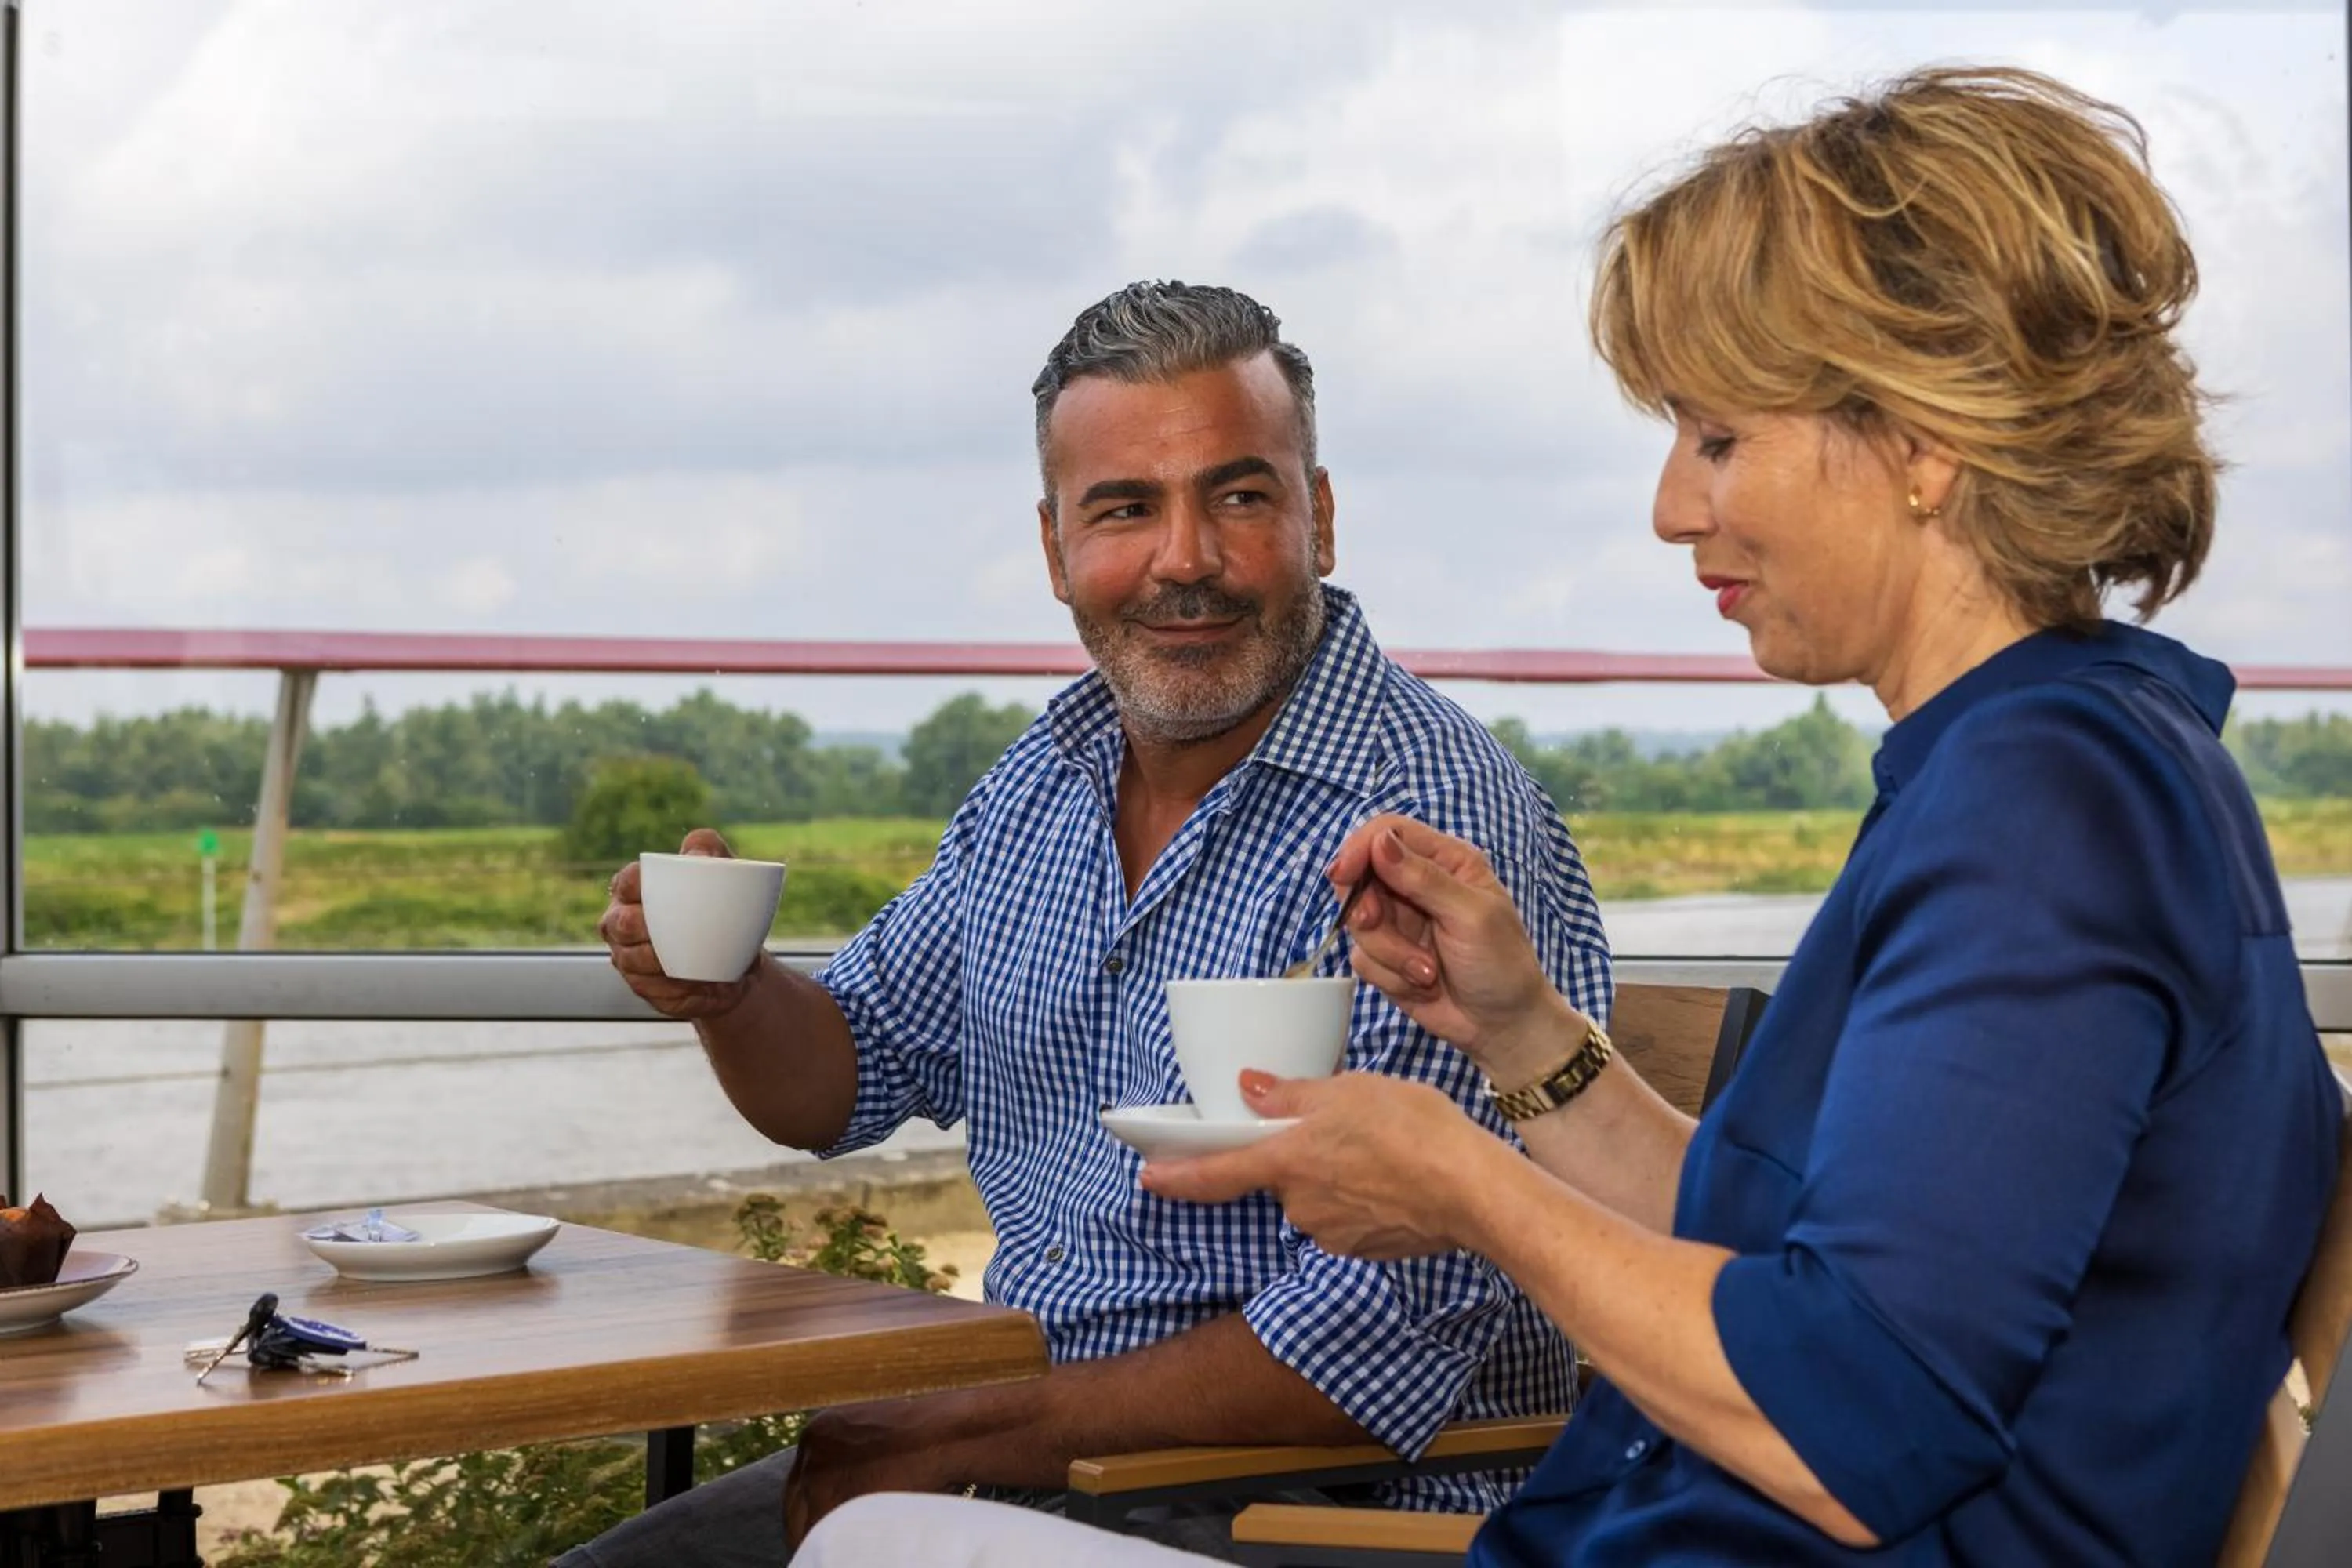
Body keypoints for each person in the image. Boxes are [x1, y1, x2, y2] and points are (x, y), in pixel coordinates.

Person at [795, 67, 2343, 1568]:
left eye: (1718, 437)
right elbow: (1782, 1250)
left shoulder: (2045, 813)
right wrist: (1524, 1035)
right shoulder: (2062, 759)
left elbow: (1856, 1421)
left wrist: (1466, 1185)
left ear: (1924, 445)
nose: (1673, 506)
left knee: (869, 1539)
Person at [569, 281, 1613, 1566]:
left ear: (1321, 519)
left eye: (1240, 497)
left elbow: (1377, 1341)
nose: (1186, 559)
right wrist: (729, 992)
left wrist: (958, 1432)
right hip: (1039, 1458)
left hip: (1320, 1512)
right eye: (1125, 509)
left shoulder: (1427, 824)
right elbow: (850, 1070)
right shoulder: (1043, 780)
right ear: (1057, 549)